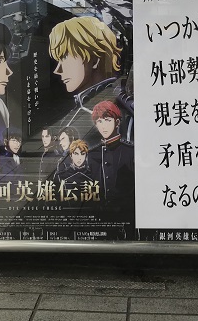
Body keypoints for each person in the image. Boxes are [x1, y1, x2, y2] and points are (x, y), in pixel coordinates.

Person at [48, 15, 127, 147]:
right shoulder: (80, 108)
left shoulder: (121, 112)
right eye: (59, 60)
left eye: (65, 57)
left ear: (94, 59)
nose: (58, 69)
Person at [88, 100, 134, 207]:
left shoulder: (130, 151)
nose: (103, 126)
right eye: (99, 122)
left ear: (117, 122)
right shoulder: (92, 154)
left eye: (108, 120)